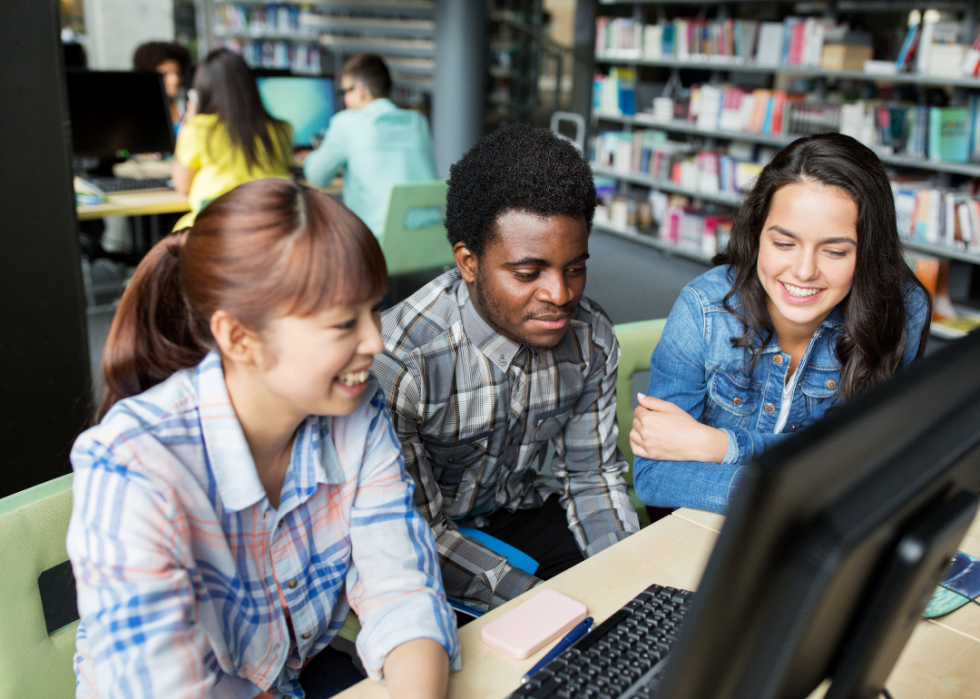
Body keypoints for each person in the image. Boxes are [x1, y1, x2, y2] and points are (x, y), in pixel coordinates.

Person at [67, 179, 459, 699]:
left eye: (374, 309)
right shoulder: (132, 467)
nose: (376, 341)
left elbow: (402, 592)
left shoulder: (357, 411)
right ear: (239, 337)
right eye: (344, 323)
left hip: (288, 678)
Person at [372, 124, 640, 614]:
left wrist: (626, 579)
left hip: (519, 513)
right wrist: (536, 603)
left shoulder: (591, 336)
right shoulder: (401, 363)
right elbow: (416, 532)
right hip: (425, 541)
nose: (560, 295)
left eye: (575, 267)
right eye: (527, 273)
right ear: (468, 262)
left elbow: (591, 476)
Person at [630, 133, 932, 514]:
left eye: (835, 251)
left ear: (870, 253)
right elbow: (655, 478)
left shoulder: (900, 310)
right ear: (757, 235)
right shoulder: (703, 310)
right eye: (784, 244)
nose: (804, 271)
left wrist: (720, 446)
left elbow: (868, 461)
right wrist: (807, 488)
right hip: (701, 528)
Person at [302, 53, 438, 237]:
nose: (344, 100)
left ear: (360, 90)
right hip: (429, 242)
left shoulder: (347, 123)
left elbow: (317, 176)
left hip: (377, 247)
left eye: (345, 92)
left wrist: (310, 157)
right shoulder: (418, 122)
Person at [171, 49, 293, 230]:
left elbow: (182, 186)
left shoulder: (199, 128)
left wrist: (188, 119)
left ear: (202, 90)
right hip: (272, 226)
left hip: (218, 228)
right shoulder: (282, 129)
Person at [132, 41, 192, 129]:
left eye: (178, 73)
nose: (175, 80)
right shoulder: (139, 114)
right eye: (165, 74)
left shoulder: (187, 103)